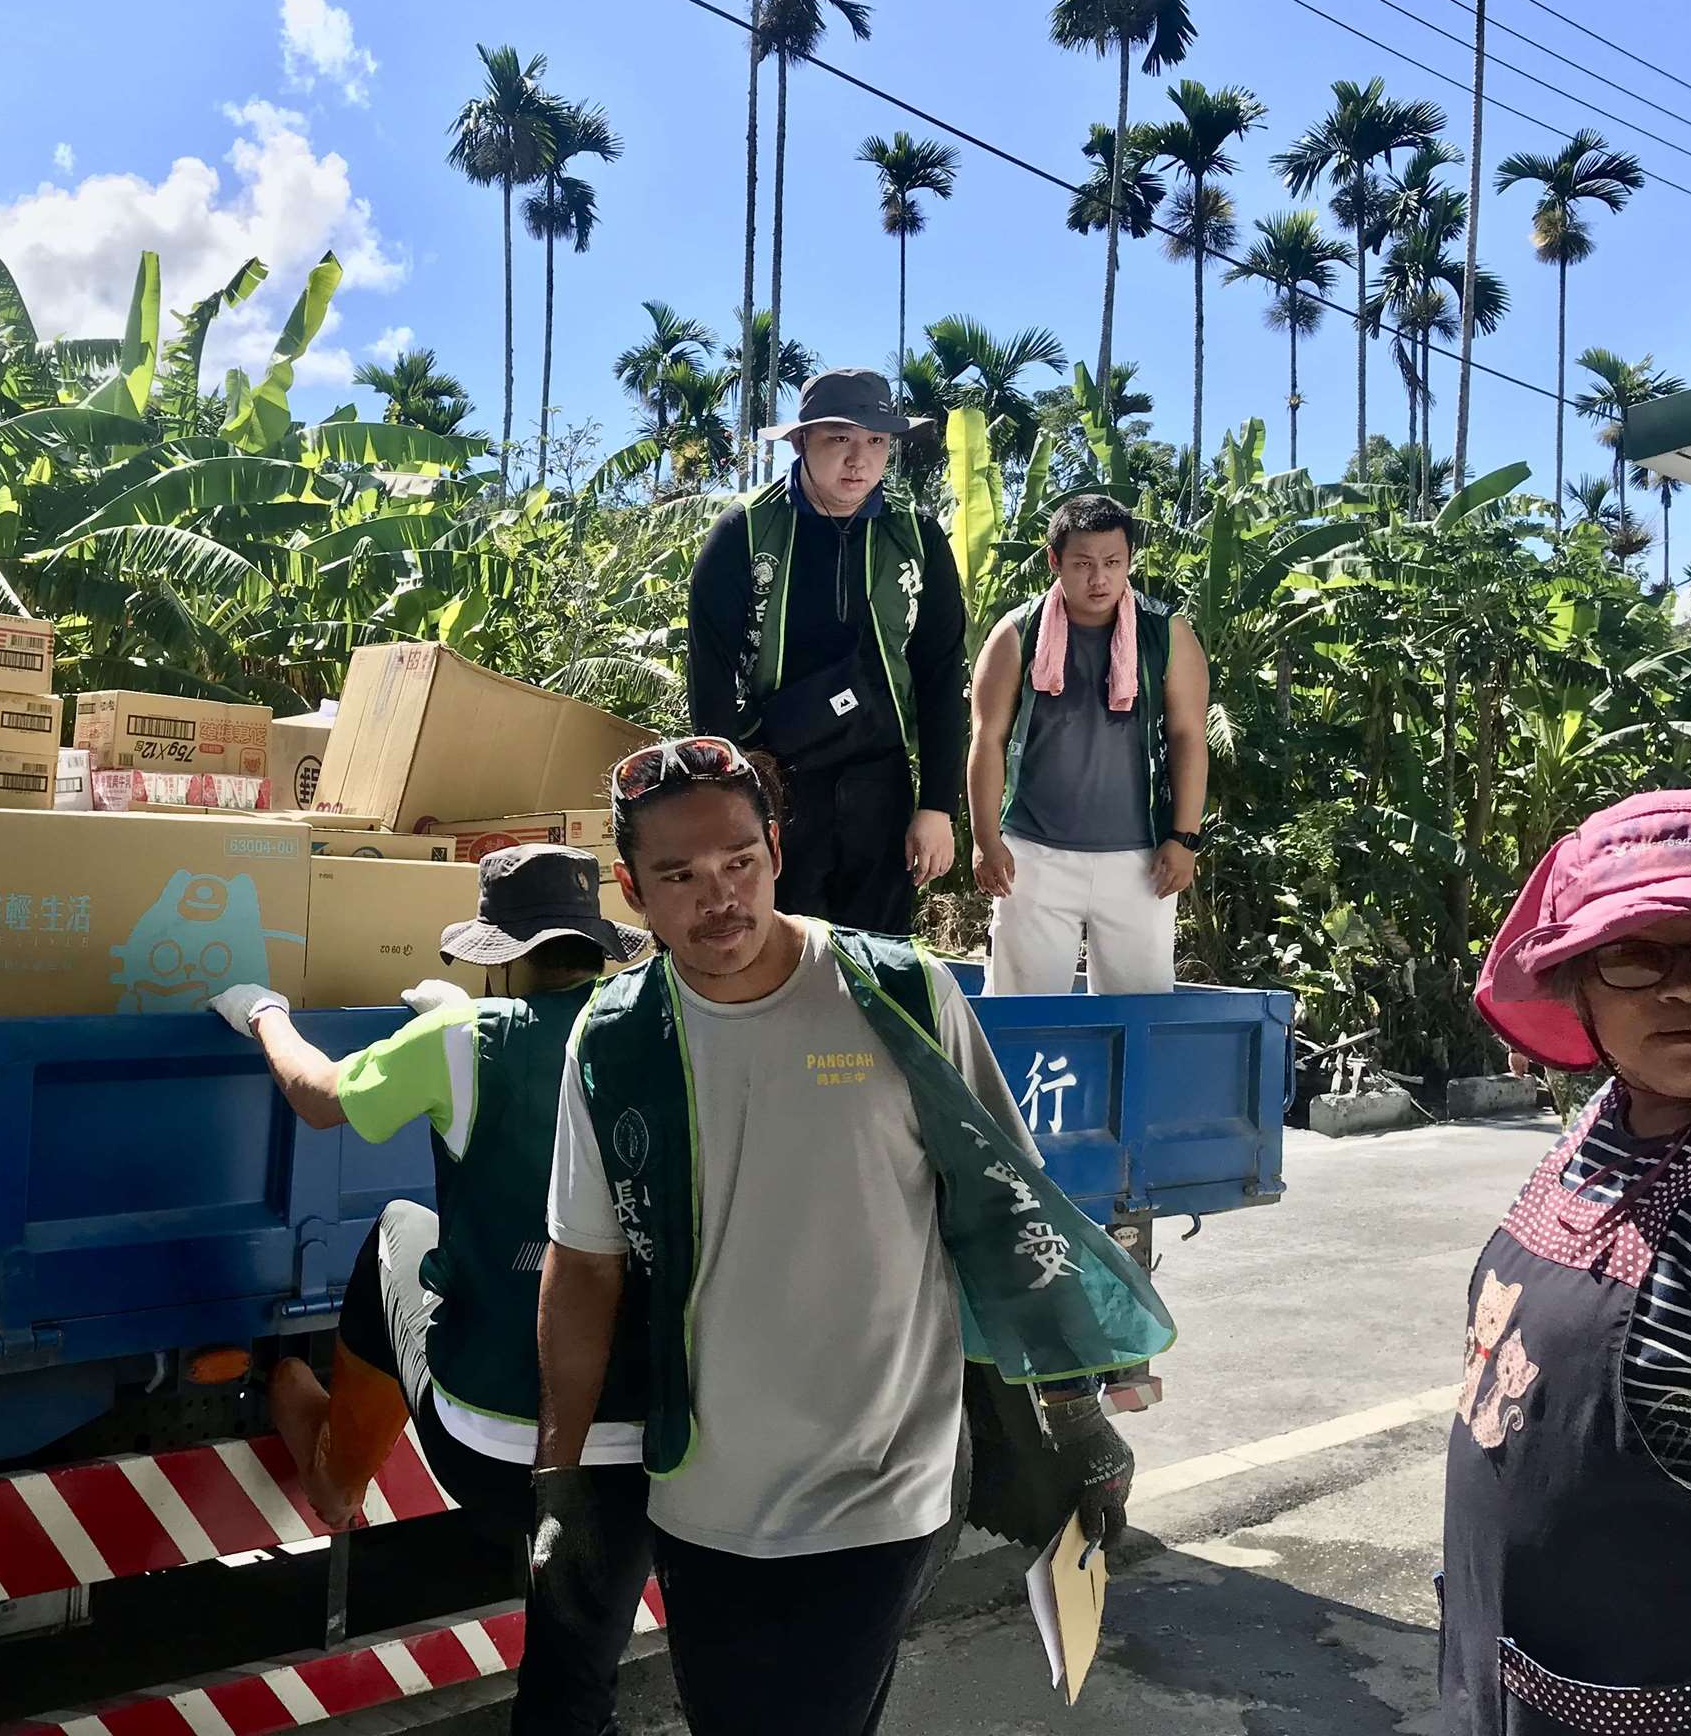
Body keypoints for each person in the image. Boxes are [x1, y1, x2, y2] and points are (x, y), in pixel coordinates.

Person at [532, 737, 1173, 1736]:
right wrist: (561, 1475)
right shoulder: (617, 1040)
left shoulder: (900, 997)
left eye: (739, 861)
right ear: (631, 890)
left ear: (775, 851)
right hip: (701, 1493)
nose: (718, 898)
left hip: (883, 1483)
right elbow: (583, 1266)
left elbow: (1010, 1210)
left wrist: (1072, 1411)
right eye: (679, 876)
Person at [211, 845, 655, 1736]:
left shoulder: (465, 1042)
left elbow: (319, 1094)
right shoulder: (653, 1033)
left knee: (398, 1229)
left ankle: (339, 1479)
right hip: (630, 1455)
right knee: (572, 1698)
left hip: (488, 1439)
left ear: (501, 954)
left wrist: (263, 1015)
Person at [1444, 789, 1691, 1734]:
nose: (1686, 987)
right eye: (1633, 955)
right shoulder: (1616, 1114)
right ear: (1579, 990)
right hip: (1523, 1678)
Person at [686, 368, 968, 938]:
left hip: (879, 784)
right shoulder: (744, 533)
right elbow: (709, 674)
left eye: (876, 441)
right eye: (840, 439)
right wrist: (733, 803)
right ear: (801, 442)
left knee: (878, 963)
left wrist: (937, 806)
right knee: (777, 956)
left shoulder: (916, 538)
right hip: (777, 783)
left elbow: (941, 673)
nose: (859, 460)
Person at [968, 494, 1208, 996]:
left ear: (1129, 562)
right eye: (1082, 564)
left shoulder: (1167, 633)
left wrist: (1184, 839)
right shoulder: (1017, 634)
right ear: (1054, 561)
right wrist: (986, 840)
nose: (1098, 579)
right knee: (1021, 1016)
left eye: (1112, 563)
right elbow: (987, 740)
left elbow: (1188, 737)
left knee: (1137, 1019)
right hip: (1032, 856)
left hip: (1141, 859)